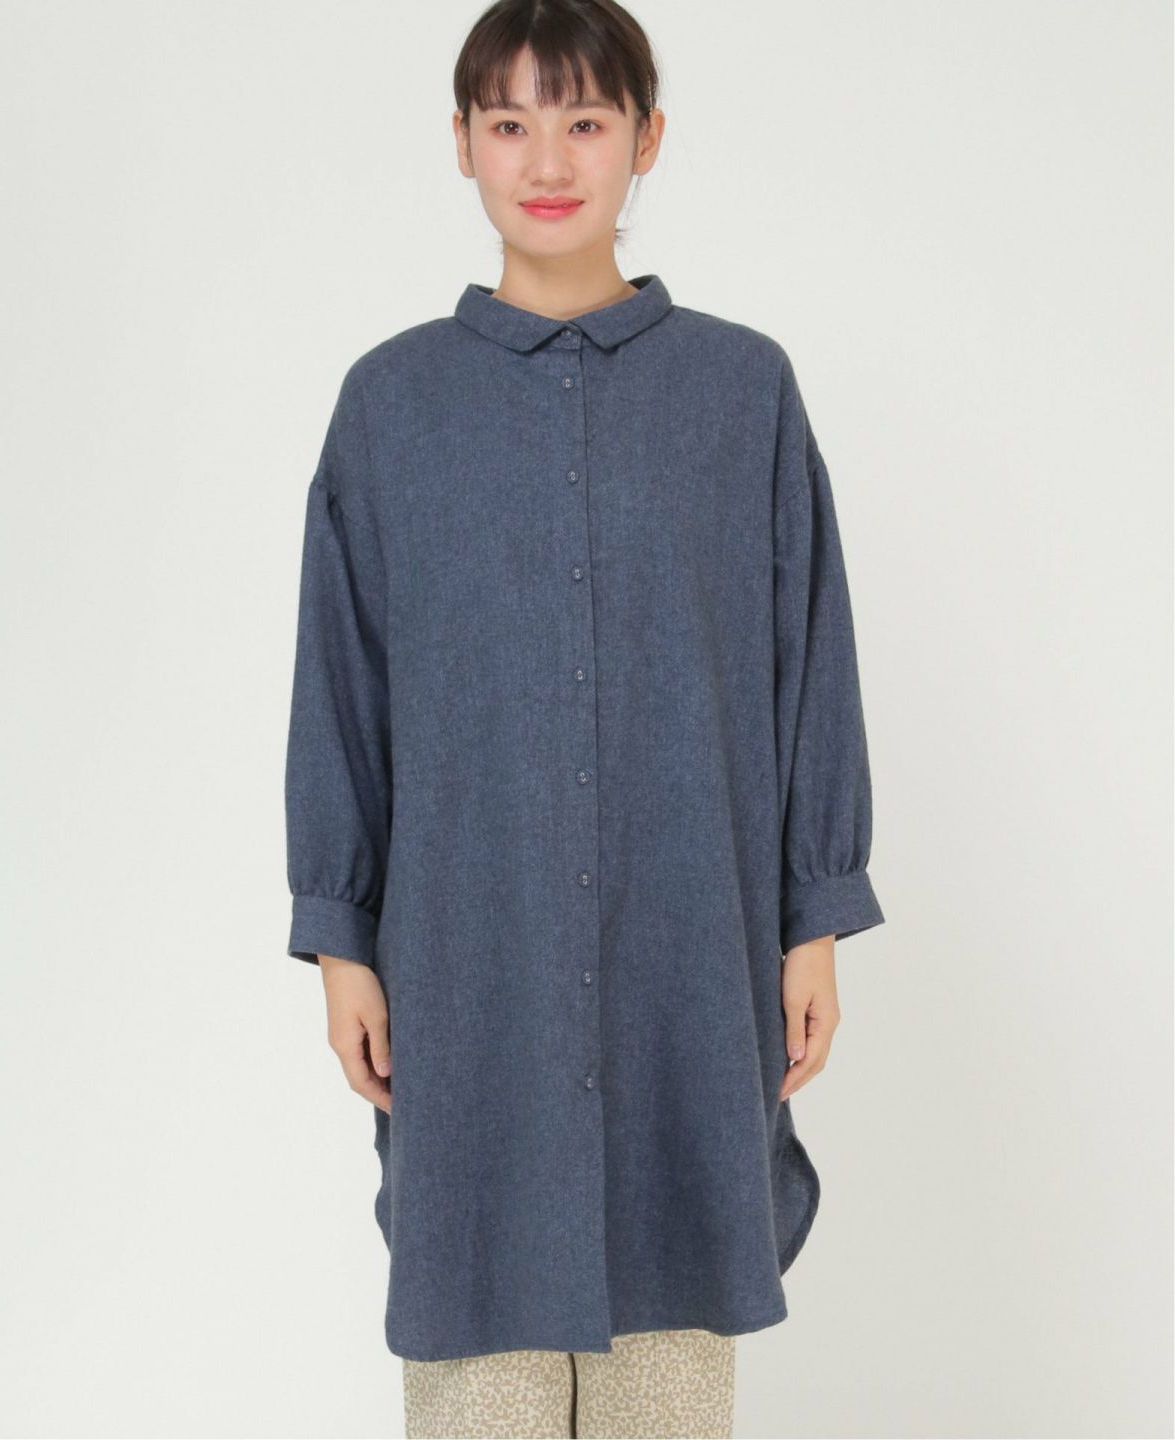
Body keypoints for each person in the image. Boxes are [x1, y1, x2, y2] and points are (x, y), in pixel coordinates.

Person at [283, 1, 886, 1435]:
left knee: (670, 1370)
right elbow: (342, 682)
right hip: (466, 974)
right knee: (475, 1376)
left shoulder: (743, 393)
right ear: (462, 144)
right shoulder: (390, 407)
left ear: (646, 139)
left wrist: (814, 913)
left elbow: (810, 657)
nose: (547, 160)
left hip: (692, 970)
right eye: (510, 122)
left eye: (585, 120)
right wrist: (341, 935)